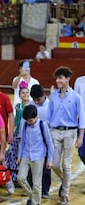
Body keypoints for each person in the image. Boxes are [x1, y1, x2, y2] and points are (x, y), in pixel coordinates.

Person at [48, 66, 85, 205]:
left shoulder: (76, 97)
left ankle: (64, 196)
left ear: (68, 79)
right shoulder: (53, 96)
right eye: (57, 78)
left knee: (66, 164)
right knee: (55, 164)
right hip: (55, 132)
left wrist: (80, 136)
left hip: (70, 132)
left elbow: (81, 117)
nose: (58, 80)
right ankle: (66, 182)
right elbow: (49, 117)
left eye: (60, 78)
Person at [17, 105, 54, 205]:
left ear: (36, 116)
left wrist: (50, 159)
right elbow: (23, 141)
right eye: (27, 120)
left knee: (37, 183)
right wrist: (19, 156)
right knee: (20, 178)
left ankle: (35, 203)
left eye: (31, 120)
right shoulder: (25, 125)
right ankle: (33, 197)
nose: (29, 122)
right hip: (26, 155)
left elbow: (49, 143)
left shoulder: (43, 125)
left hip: (38, 157)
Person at [29, 84, 52, 198]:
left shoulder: (50, 106)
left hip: (46, 138)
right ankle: (32, 188)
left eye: (38, 99)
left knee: (45, 166)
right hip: (32, 139)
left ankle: (45, 190)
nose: (36, 102)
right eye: (34, 100)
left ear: (44, 95)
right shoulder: (30, 104)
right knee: (31, 164)